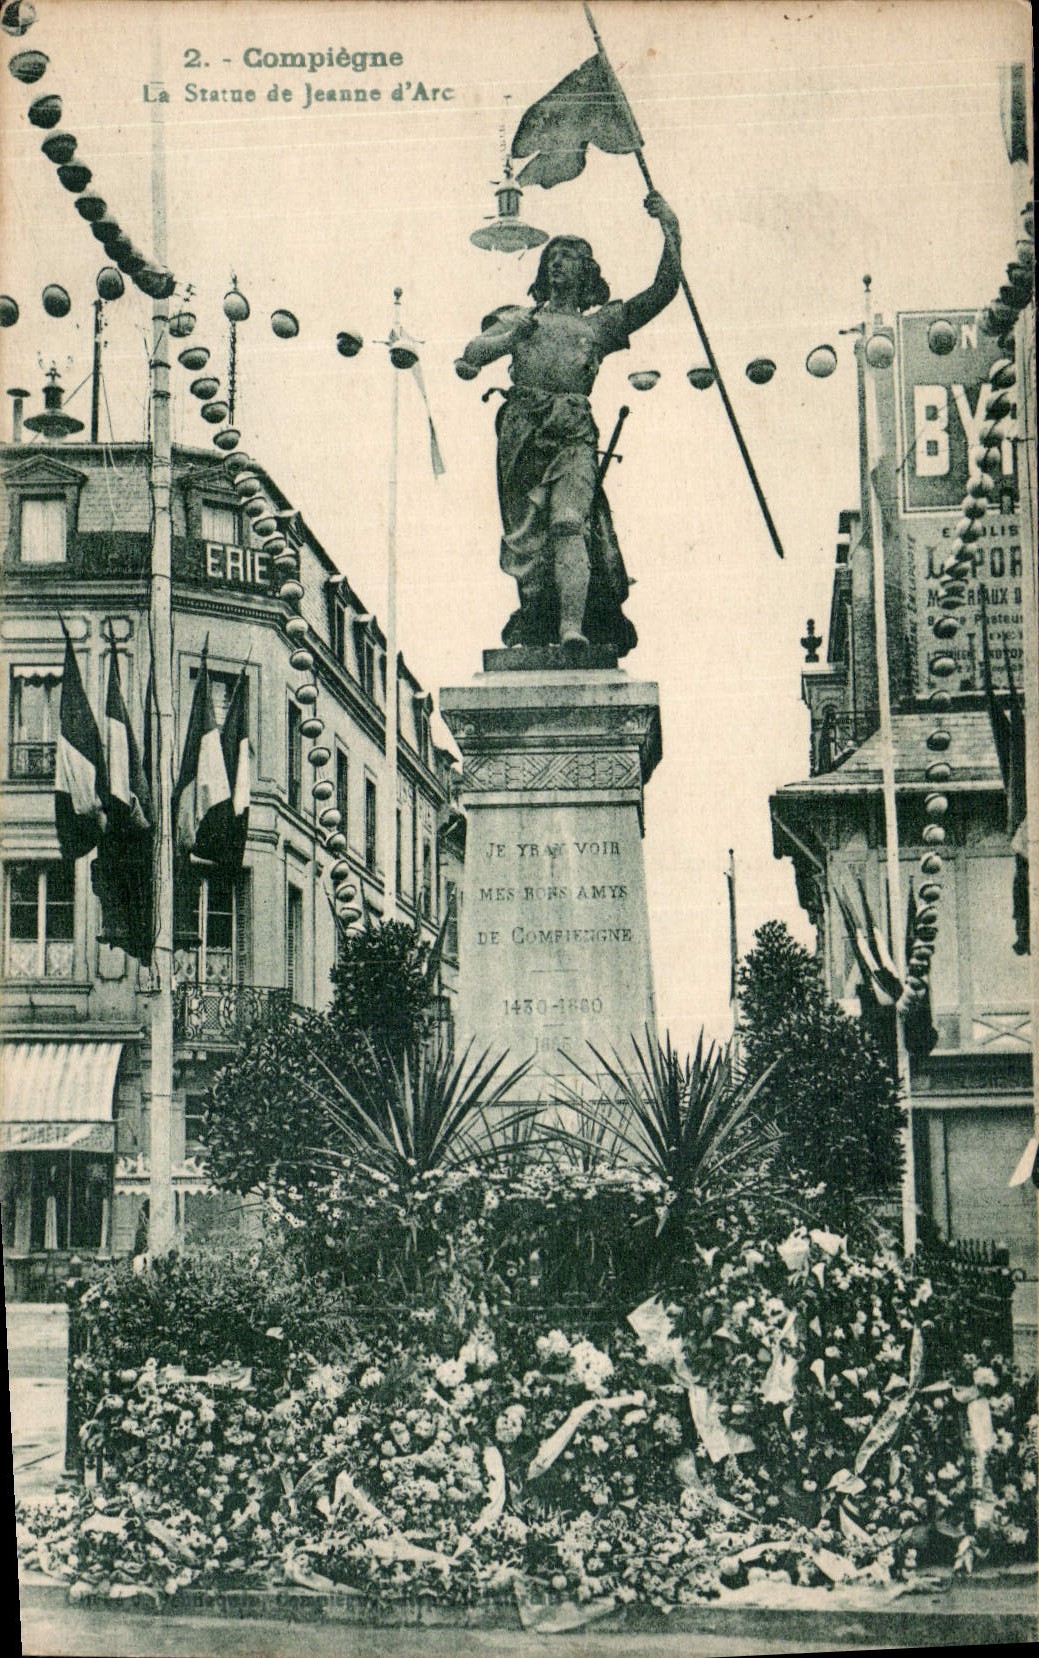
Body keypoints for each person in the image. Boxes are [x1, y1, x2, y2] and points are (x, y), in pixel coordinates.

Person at [459, 191, 682, 657]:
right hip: (522, 432)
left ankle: (572, 628)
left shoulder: (598, 326)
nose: (558, 264)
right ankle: (537, 620)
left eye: (570, 258)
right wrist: (510, 338)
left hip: (574, 432)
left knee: (568, 523)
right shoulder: (520, 317)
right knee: (527, 538)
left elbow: (662, 292)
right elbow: (472, 355)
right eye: (553, 257)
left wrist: (671, 229)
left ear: (586, 273)